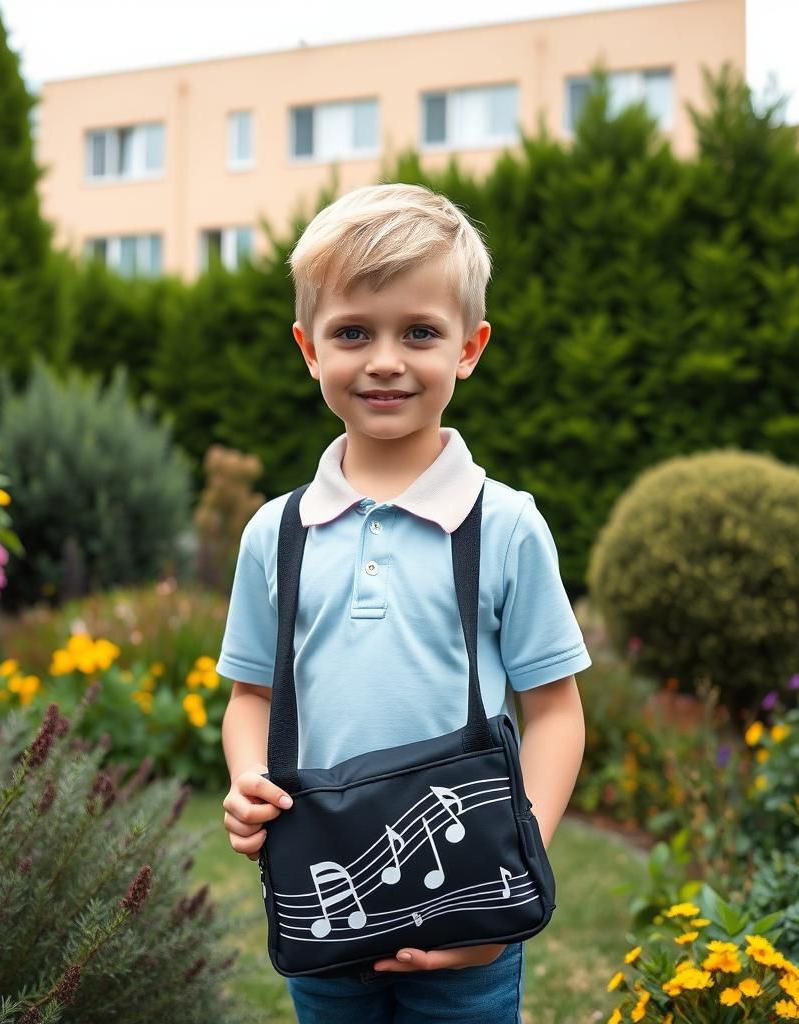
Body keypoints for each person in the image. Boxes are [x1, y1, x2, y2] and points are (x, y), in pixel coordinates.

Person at [216, 182, 591, 1024]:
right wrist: (248, 779)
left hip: (469, 929)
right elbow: (251, 698)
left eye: (419, 331)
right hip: (324, 908)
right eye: (353, 332)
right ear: (309, 349)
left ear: (470, 347)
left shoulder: (506, 525)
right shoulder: (275, 534)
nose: (385, 359)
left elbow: (557, 715)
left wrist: (514, 870)